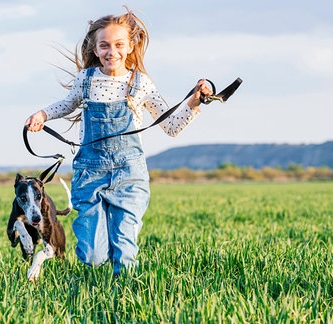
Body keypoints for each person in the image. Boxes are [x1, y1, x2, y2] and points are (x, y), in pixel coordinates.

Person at [25, 7, 213, 277]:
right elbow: (66, 104)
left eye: (119, 44)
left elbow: (171, 127)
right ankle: (102, 260)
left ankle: (124, 297)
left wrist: (195, 102)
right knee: (91, 255)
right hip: (90, 174)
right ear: (96, 48)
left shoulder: (141, 83)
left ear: (130, 46)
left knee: (124, 249)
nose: (111, 51)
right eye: (104, 45)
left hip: (129, 175)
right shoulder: (86, 80)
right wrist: (43, 114)